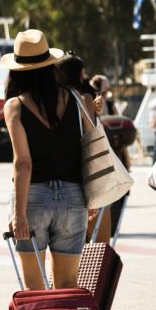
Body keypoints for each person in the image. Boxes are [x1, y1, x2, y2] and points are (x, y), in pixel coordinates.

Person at [1, 29, 96, 289]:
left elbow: (23, 163)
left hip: (33, 197)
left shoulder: (15, 106)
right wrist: (93, 196)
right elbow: (89, 151)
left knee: (34, 287)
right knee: (67, 283)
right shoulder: (78, 99)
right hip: (74, 197)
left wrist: (19, 214)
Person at [57, 53, 112, 243]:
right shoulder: (84, 98)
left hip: (59, 174)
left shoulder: (48, 99)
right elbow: (91, 135)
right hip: (85, 172)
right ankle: (90, 272)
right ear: (79, 74)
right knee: (99, 240)